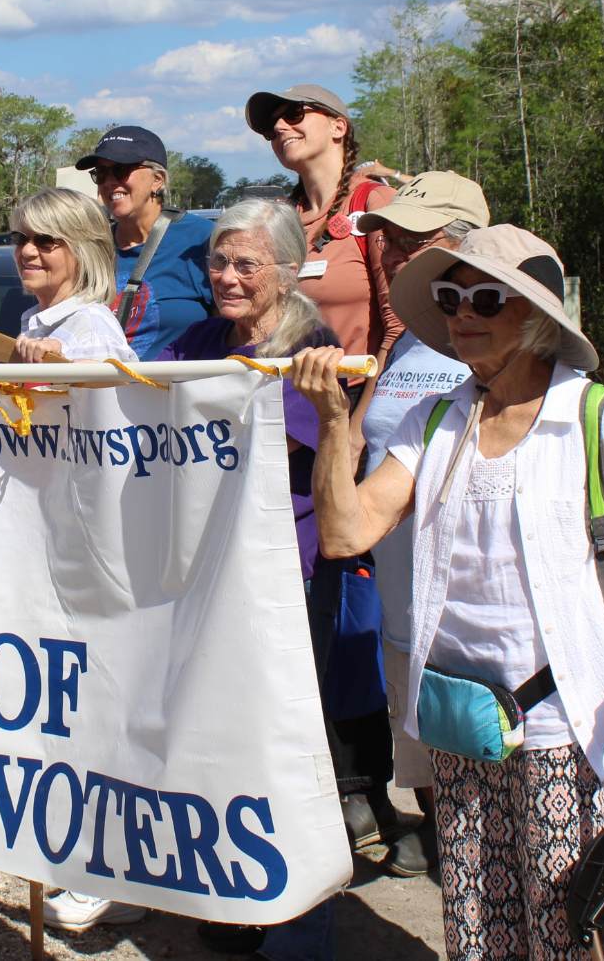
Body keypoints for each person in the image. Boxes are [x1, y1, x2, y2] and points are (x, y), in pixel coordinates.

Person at [294, 225, 604, 961]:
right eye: (450, 298)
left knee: (565, 921)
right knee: (476, 919)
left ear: (537, 316)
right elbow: (347, 534)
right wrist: (330, 422)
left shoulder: (599, 418)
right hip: (461, 715)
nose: (462, 314)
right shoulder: (435, 419)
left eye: (486, 298)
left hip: (562, 719)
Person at [165, 200, 352, 958]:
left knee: (286, 743)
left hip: (287, 572)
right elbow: (133, 401)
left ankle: (301, 925)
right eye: (219, 261)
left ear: (285, 270)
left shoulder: (312, 348)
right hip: (207, 570)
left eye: (246, 264)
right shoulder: (198, 340)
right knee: (217, 733)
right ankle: (233, 893)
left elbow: (273, 450)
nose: (228, 277)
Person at [349, 171, 491, 880]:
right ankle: (448, 856)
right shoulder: (404, 345)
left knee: (488, 770)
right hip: (402, 600)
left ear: (470, 244)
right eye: (390, 241)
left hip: (472, 615)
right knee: (426, 751)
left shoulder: (494, 343)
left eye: (416, 239)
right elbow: (365, 445)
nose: (398, 254)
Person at [244, 84, 403, 365]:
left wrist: (365, 394)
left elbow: (398, 326)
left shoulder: (375, 202)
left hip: (354, 385)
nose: (279, 127)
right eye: (271, 128)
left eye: (294, 113)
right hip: (286, 386)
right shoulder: (279, 219)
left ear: (338, 127)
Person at [72, 125, 213, 357]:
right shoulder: (92, 246)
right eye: (101, 173)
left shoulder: (202, 239)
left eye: (120, 170)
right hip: (101, 380)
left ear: (157, 180)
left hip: (179, 380)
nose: (109, 182)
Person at [7, 187, 136, 363]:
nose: (27, 251)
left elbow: (108, 380)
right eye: (20, 239)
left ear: (84, 252)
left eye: (45, 240)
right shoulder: (40, 322)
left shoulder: (92, 328)